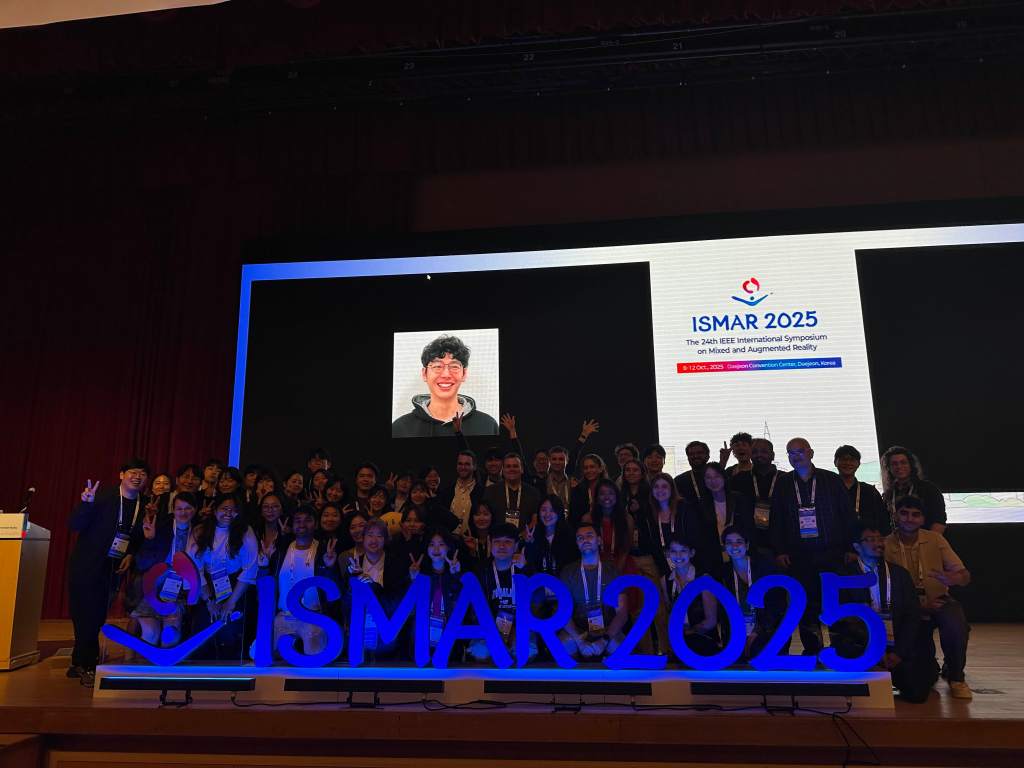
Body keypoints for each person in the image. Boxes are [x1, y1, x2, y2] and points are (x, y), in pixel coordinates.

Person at [829, 520, 939, 703]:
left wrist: (898, 653)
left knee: (917, 692)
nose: (878, 543)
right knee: (855, 695)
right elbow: (843, 621)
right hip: (861, 646)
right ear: (857, 547)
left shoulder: (900, 575)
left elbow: (912, 616)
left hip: (896, 647)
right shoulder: (844, 577)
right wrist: (875, 651)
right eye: (871, 539)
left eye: (880, 539)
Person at [67, 458, 150, 686]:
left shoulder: (145, 505)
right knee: (85, 613)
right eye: (133, 472)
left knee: (97, 616)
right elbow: (74, 525)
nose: (137, 477)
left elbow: (138, 538)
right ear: (121, 475)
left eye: (142, 473)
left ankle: (79, 663)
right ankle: (87, 664)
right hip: (86, 565)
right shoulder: (102, 496)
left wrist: (131, 554)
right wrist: (86, 504)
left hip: (113, 568)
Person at [770, 437, 854, 655]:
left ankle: (841, 650)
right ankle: (812, 650)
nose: (795, 456)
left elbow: (847, 516)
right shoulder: (783, 483)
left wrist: (850, 548)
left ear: (811, 453)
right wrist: (780, 550)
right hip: (799, 556)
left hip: (832, 553)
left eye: (800, 451)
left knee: (835, 603)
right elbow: (777, 519)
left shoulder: (831, 480)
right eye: (791, 453)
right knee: (806, 605)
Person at [884, 495, 972, 699]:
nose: (909, 518)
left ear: (923, 519)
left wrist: (955, 578)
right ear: (895, 516)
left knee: (955, 621)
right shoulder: (886, 544)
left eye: (915, 515)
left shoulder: (935, 539)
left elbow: (964, 576)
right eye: (904, 513)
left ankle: (957, 677)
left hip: (938, 602)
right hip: (905, 611)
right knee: (922, 674)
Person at [391, 334, 499, 437]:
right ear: (424, 374)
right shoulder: (400, 428)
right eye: (437, 366)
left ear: (464, 374)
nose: (446, 374)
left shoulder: (488, 426)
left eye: (454, 366)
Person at [193, 493, 259, 660]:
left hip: (236, 585)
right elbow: (195, 567)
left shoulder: (245, 531)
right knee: (204, 629)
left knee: (230, 632)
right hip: (206, 586)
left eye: (234, 510)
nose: (229, 513)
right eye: (224, 509)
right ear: (215, 510)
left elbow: (250, 568)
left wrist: (231, 602)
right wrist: (209, 600)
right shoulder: (200, 530)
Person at [132, 491, 200, 650]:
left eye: (188, 508)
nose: (183, 513)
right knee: (150, 634)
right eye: (179, 509)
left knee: (170, 633)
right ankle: (144, 665)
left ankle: (166, 664)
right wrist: (150, 540)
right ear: (173, 510)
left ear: (195, 509)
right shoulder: (162, 527)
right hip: (155, 586)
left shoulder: (200, 531)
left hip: (182, 589)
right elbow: (141, 563)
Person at [272, 506, 340, 658]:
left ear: (315, 524)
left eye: (308, 520)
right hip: (284, 616)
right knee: (273, 662)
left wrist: (329, 567)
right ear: (292, 525)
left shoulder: (324, 550)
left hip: (314, 617)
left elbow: (334, 590)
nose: (302, 524)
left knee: (314, 661)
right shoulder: (281, 550)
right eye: (298, 520)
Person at [558, 522, 628, 659]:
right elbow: (562, 612)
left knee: (619, 647)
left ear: (599, 540)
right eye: (580, 538)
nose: (585, 540)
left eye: (589, 535)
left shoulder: (612, 571)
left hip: (607, 629)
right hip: (578, 630)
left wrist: (605, 639)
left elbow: (622, 613)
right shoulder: (568, 572)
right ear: (577, 543)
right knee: (564, 645)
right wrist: (579, 640)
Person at [468, 523, 537, 663]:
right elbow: (474, 610)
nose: (502, 546)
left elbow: (538, 600)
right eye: (497, 541)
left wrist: (526, 569)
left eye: (507, 542)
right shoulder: (481, 570)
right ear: (490, 543)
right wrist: (495, 634)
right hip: (488, 628)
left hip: (520, 626)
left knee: (525, 650)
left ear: (516, 545)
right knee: (480, 651)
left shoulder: (525, 569)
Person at [343, 518, 409, 658]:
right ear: (363, 538)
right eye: (370, 535)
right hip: (359, 632)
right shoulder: (353, 565)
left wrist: (372, 587)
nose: (374, 540)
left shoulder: (397, 563)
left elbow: (397, 602)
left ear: (385, 540)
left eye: (379, 536)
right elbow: (345, 603)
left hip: (388, 632)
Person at [719, 525, 785, 660]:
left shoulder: (765, 568)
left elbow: (776, 604)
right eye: (729, 542)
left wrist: (757, 631)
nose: (734, 546)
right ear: (725, 547)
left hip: (766, 629)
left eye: (739, 542)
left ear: (747, 545)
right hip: (736, 632)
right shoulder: (723, 574)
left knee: (758, 652)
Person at [690, 462, 755, 579]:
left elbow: (749, 527)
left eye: (717, 476)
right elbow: (700, 537)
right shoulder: (700, 505)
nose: (713, 481)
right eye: (708, 477)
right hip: (714, 559)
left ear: (724, 477)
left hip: (740, 554)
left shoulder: (739, 499)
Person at [661, 535, 720, 659]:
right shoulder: (665, 580)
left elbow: (711, 621)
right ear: (667, 554)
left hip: (703, 639)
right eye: (673, 551)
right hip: (679, 640)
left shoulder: (704, 579)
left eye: (683, 551)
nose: (678, 555)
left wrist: (688, 632)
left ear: (692, 553)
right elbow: (669, 613)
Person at [413, 529, 463, 655]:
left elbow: (460, 604)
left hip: (449, 641)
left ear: (448, 547)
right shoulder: (421, 575)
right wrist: (412, 578)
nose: (436, 549)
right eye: (431, 544)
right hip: (422, 640)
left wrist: (455, 575)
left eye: (441, 544)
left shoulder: (455, 575)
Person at [728, 437, 779, 558]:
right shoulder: (738, 479)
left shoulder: (784, 479)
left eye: (764, 451)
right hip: (749, 545)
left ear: (772, 455)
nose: (759, 455)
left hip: (780, 544)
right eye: (755, 452)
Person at [881, 446, 947, 534]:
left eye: (903, 462)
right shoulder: (888, 494)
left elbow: (939, 521)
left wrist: (928, 541)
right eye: (894, 464)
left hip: (924, 540)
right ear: (889, 468)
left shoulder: (928, 489)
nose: (899, 466)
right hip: (897, 540)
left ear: (911, 465)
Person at [834, 445, 889, 535]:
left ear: (858, 464)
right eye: (844, 459)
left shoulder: (870, 491)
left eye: (852, 460)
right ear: (835, 462)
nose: (848, 463)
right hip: (835, 539)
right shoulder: (828, 489)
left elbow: (882, 520)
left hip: (864, 540)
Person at [482, 453, 541, 532]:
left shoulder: (533, 492)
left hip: (525, 537)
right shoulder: (490, 491)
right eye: (508, 466)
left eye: (515, 466)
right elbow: (485, 518)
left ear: (522, 469)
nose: (511, 469)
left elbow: (535, 519)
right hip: (498, 537)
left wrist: (525, 535)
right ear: (503, 470)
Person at [523, 494, 578, 577]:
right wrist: (530, 544)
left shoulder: (569, 534)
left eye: (552, 510)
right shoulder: (533, 534)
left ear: (559, 512)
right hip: (539, 581)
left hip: (563, 581)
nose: (547, 514)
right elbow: (530, 566)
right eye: (543, 510)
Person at [437, 450, 484, 536]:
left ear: (474, 467)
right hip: (449, 539)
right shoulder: (447, 490)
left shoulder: (482, 492)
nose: (463, 467)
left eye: (467, 464)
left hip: (471, 540)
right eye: (460, 464)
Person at [569, 453, 609, 522]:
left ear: (600, 469)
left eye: (592, 467)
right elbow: (574, 516)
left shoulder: (610, 489)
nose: (589, 470)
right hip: (582, 526)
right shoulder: (577, 490)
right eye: (586, 468)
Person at [462, 501, 495, 566]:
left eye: (486, 514)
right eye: (477, 514)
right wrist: (472, 551)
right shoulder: (466, 538)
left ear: (492, 517)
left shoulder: (497, 538)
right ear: (472, 517)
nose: (481, 518)